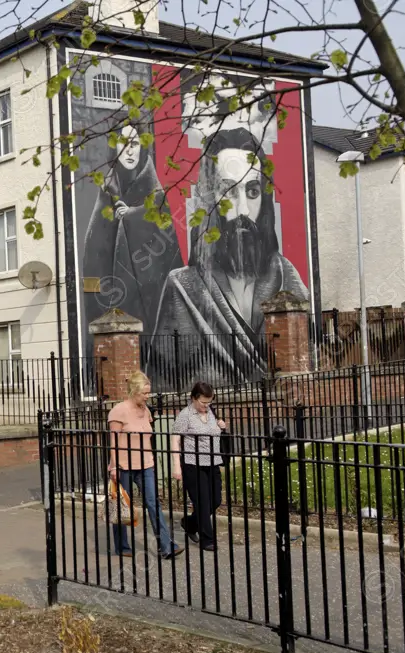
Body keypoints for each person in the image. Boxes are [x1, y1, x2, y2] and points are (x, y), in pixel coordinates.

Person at [150, 127, 309, 386]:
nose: (243, 209)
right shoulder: (183, 288)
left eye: (253, 191)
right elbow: (161, 387)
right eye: (230, 192)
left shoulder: (286, 277)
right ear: (210, 198)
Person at [81, 122, 182, 337]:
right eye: (123, 142)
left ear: (142, 148)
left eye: (135, 143)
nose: (129, 150)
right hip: (113, 303)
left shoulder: (156, 194)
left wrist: (132, 217)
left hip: (149, 302)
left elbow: (168, 251)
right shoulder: (107, 191)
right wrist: (96, 298)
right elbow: (94, 251)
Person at [107, 370, 184, 559]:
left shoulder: (146, 410)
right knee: (122, 506)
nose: (147, 396)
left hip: (145, 464)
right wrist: (114, 466)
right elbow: (114, 442)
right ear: (134, 391)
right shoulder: (119, 411)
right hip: (124, 465)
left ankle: (166, 546)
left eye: (148, 392)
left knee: (153, 503)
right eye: (145, 393)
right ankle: (122, 546)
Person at [171, 381, 227, 551]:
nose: (206, 405)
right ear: (193, 398)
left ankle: (189, 523)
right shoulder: (185, 415)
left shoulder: (210, 411)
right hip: (192, 463)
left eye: (210, 402)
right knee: (202, 502)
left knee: (215, 500)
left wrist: (221, 426)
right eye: (203, 402)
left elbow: (213, 431)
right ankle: (207, 539)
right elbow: (175, 439)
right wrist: (176, 466)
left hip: (213, 461)